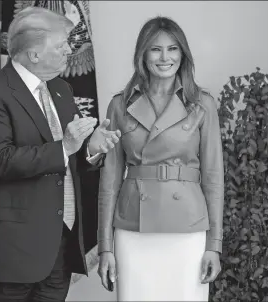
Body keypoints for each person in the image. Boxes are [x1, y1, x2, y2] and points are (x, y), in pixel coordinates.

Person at [0, 7, 121, 302]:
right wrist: (66, 147)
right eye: (61, 45)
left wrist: (91, 148)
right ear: (34, 55)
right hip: (6, 255)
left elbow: (69, 159)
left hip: (58, 249)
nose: (70, 50)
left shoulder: (61, 89)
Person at [97, 16, 224, 301]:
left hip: (188, 228)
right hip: (133, 227)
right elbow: (109, 180)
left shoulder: (202, 104)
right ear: (142, 54)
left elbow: (214, 179)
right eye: (155, 49)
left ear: (183, 54)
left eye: (173, 49)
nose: (165, 57)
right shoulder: (121, 104)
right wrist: (105, 246)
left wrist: (214, 245)